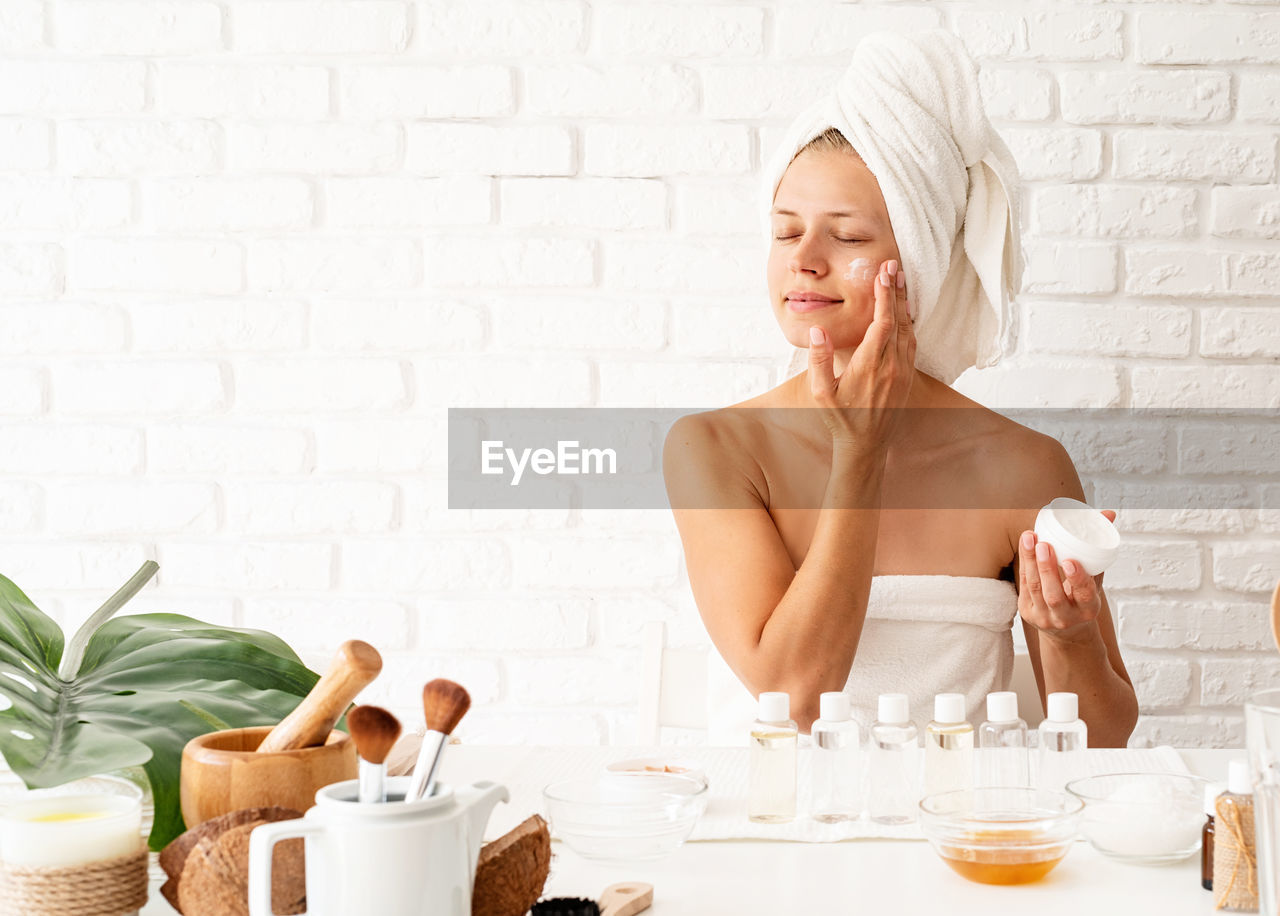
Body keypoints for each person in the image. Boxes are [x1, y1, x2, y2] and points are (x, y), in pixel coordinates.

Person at [663, 30, 1138, 745]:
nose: (806, 262)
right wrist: (861, 454)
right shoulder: (717, 449)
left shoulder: (1023, 467)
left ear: (915, 259)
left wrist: (1070, 638)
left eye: (847, 237)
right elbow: (793, 700)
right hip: (764, 837)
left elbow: (1103, 741)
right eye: (786, 232)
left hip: (954, 838)